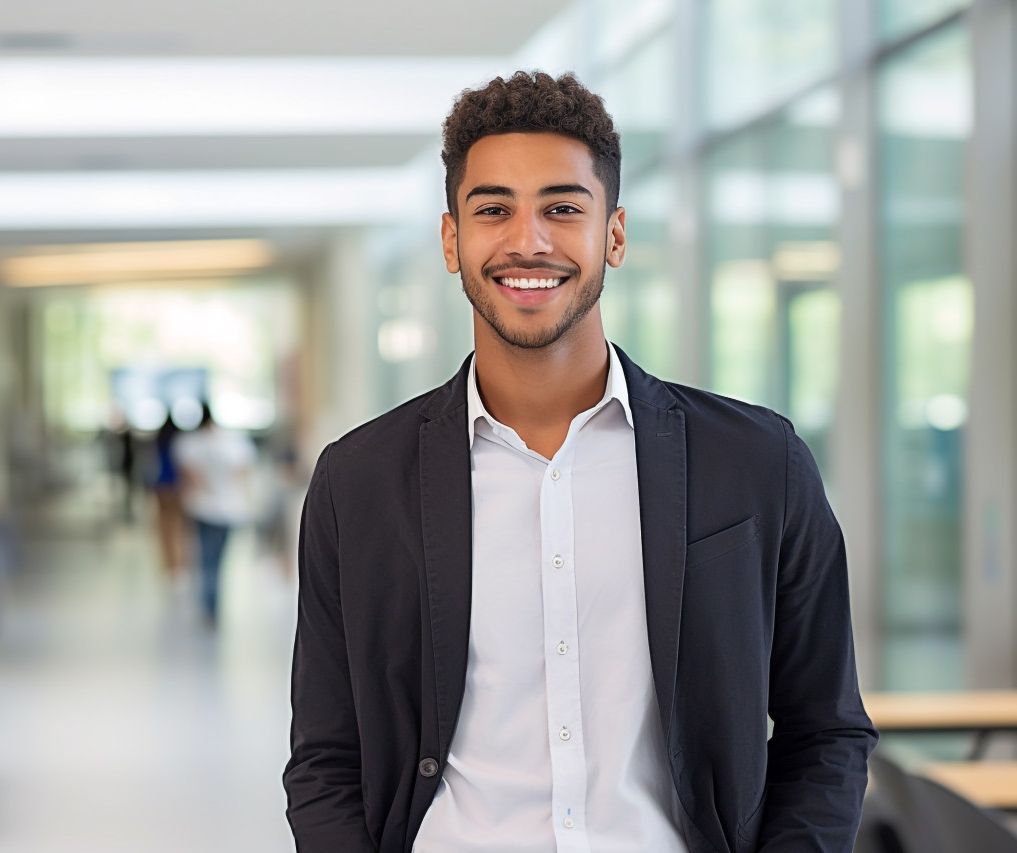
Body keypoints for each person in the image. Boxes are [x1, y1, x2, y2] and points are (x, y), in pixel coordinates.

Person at [284, 71, 876, 853]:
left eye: (563, 208)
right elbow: (327, 757)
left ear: (615, 234)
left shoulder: (759, 463)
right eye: (493, 209)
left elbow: (827, 730)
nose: (529, 241)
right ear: (451, 238)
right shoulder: (358, 482)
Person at [171, 403, 256, 624]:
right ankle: (213, 605)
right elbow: (243, 476)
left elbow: (188, 478)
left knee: (205, 557)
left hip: (202, 508)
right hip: (229, 510)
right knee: (218, 559)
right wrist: (246, 504)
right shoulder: (235, 444)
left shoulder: (190, 444)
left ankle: (209, 606)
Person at [152, 415, 189, 578]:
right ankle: (179, 564)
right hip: (176, 486)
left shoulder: (160, 442)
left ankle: (170, 564)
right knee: (180, 527)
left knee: (165, 527)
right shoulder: (181, 443)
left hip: (161, 485)